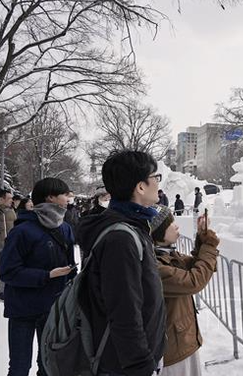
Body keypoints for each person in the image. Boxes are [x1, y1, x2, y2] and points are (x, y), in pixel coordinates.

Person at [76, 150, 165, 376]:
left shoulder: (131, 226)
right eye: (156, 177)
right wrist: (140, 365)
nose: (158, 183)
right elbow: (124, 310)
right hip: (124, 365)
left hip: (126, 359)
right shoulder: (121, 238)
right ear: (140, 186)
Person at [0, 178, 76, 376]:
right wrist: (46, 275)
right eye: (65, 194)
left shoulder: (65, 228)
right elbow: (7, 271)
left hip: (52, 308)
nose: (69, 198)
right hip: (23, 309)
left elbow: (69, 267)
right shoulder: (22, 231)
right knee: (19, 367)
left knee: (48, 365)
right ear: (50, 197)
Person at [150, 206, 219, 376]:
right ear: (158, 233)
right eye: (171, 223)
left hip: (184, 340)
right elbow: (194, 280)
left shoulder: (168, 254)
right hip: (173, 352)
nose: (177, 226)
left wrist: (202, 239)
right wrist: (209, 245)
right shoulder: (155, 265)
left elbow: (199, 264)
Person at [0, 188, 14, 300]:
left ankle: (2, 290)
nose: (11, 201)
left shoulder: (8, 212)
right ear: (1, 199)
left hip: (5, 246)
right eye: (9, 199)